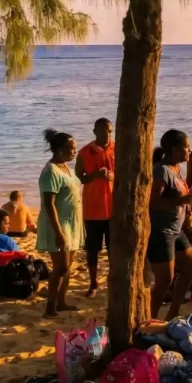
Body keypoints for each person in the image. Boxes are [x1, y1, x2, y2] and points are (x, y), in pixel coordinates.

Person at [149, 129, 192, 321]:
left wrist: (189, 200)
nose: (189, 150)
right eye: (186, 147)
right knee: (164, 281)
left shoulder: (177, 168)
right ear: (174, 150)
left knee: (190, 269)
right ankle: (151, 319)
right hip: (161, 231)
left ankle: (173, 312)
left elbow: (178, 194)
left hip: (176, 229)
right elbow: (153, 203)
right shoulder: (162, 170)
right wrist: (181, 201)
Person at [37, 129, 84, 318]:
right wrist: (59, 233)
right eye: (70, 149)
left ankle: (62, 302)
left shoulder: (67, 168)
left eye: (75, 148)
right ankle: (50, 307)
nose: (74, 152)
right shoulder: (50, 172)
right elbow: (49, 204)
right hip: (58, 225)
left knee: (68, 266)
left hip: (72, 223)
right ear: (57, 149)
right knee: (61, 267)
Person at [75, 117, 115, 298]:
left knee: (114, 248)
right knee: (92, 249)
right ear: (95, 132)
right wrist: (95, 175)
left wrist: (112, 176)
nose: (107, 134)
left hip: (114, 207)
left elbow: (125, 171)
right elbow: (80, 177)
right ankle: (93, 283)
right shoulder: (85, 152)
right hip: (93, 207)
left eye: (110, 131)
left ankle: (113, 281)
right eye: (104, 131)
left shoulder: (118, 148)